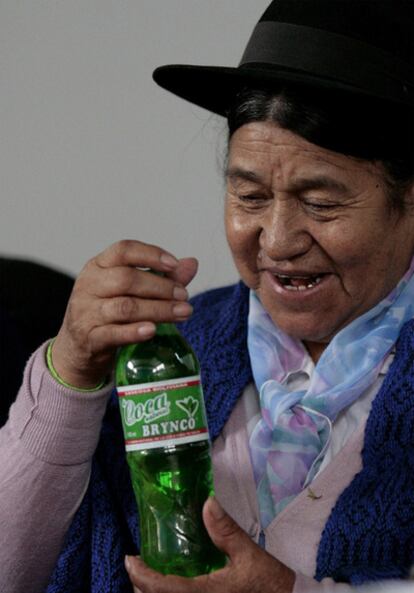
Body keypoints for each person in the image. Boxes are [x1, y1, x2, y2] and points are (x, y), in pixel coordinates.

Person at [0, 1, 413, 592]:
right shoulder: (174, 351)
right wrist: (70, 373)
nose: (276, 239)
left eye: (321, 203)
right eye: (248, 196)